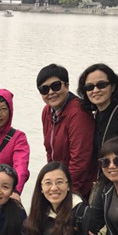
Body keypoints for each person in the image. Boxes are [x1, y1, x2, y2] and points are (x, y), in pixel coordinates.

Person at [37, 64, 97, 199]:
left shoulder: (78, 113)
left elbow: (80, 159)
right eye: (44, 89)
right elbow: (49, 151)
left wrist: (67, 191)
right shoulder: (47, 111)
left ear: (67, 85)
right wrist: (51, 182)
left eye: (56, 86)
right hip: (60, 184)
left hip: (80, 188)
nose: (51, 92)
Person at [77, 63, 118, 159]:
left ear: (113, 87)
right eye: (89, 87)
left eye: (101, 85)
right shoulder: (95, 116)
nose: (95, 90)